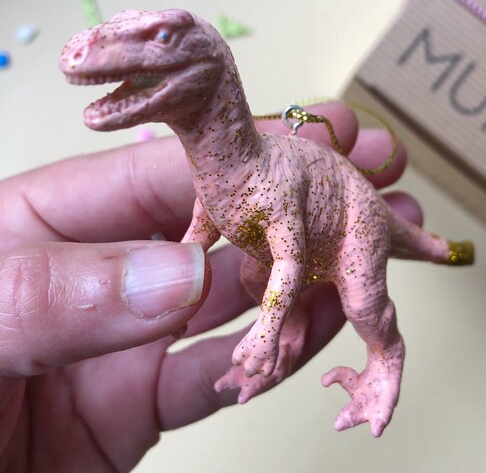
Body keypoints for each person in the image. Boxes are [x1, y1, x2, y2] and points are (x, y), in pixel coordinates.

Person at [0, 102, 422, 471]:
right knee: (251, 275)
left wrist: (264, 330)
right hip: (296, 247)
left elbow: (289, 261)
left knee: (361, 302)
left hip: (350, 222)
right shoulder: (215, 178)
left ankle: (386, 360)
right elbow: (201, 229)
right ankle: (292, 334)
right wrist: (179, 290)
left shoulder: (268, 183)